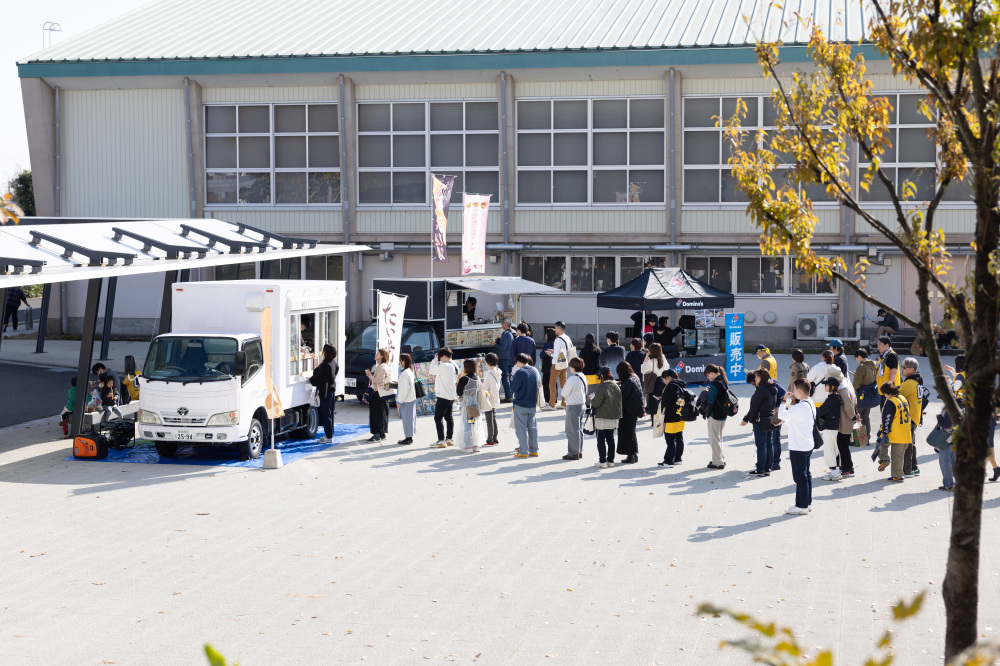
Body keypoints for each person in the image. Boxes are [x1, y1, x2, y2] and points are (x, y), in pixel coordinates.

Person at [777, 378, 817, 515]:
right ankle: (807, 502)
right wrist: (785, 421)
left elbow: (782, 413)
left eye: (794, 390)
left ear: (799, 390)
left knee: (800, 477)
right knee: (806, 475)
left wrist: (783, 400)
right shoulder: (810, 403)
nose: (793, 392)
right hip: (807, 444)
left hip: (798, 446)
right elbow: (796, 421)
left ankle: (801, 506)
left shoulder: (800, 406)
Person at [740, 369, 779, 476]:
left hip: (760, 420)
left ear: (761, 378)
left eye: (756, 377)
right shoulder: (771, 387)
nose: (755, 379)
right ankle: (768, 467)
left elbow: (754, 407)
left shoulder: (761, 389)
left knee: (761, 445)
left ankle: (761, 468)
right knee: (769, 443)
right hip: (769, 418)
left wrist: (746, 419)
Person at [876, 382, 912, 482]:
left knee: (880, 443)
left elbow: (887, 419)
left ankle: (884, 459)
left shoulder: (891, 402)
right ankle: (898, 475)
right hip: (905, 432)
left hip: (894, 432)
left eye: (884, 393)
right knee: (898, 455)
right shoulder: (903, 399)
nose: (884, 395)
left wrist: (884, 432)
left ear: (888, 392)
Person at [590, 366, 622, 468]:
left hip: (602, 417)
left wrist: (592, 398)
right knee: (610, 439)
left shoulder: (602, 387)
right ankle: (611, 461)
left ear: (602, 375)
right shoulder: (616, 386)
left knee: (600, 440)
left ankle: (602, 461)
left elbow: (596, 404)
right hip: (614, 416)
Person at [510, 352, 540, 458]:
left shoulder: (519, 372)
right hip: (532, 404)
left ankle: (523, 451)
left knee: (521, 429)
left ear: (518, 361)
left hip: (520, 403)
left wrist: (512, 380)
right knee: (533, 428)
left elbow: (513, 388)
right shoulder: (534, 370)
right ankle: (534, 450)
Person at [815, 377, 845, 481]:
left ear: (832, 387)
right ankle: (836, 471)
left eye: (826, 385)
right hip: (833, 426)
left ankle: (834, 473)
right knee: (834, 449)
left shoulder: (832, 399)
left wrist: (816, 409)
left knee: (829, 450)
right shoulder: (836, 397)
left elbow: (821, 411)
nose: (825, 386)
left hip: (829, 426)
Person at [429, 347, 459, 448]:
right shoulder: (454, 365)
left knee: (437, 418)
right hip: (451, 395)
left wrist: (434, 359)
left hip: (443, 395)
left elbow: (431, 370)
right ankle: (449, 439)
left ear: (445, 356)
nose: (440, 359)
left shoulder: (446, 366)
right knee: (448, 418)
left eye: (440, 357)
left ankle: (441, 440)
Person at [309, 344, 339, 444]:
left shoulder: (326, 364)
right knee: (330, 414)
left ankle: (329, 436)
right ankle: (329, 434)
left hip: (325, 392)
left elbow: (319, 377)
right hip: (331, 391)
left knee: (326, 414)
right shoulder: (333, 362)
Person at [831, 368, 857, 478]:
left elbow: (848, 407)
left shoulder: (842, 390)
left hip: (845, 422)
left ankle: (848, 468)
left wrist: (853, 417)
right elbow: (854, 400)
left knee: (843, 446)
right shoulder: (847, 382)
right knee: (843, 445)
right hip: (847, 421)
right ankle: (845, 467)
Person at [657, 369, 687, 467]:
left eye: (663, 380)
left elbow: (665, 403)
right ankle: (678, 459)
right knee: (679, 438)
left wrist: (661, 400)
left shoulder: (670, 386)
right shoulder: (681, 384)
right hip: (681, 415)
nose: (663, 382)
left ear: (668, 378)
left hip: (670, 417)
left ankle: (669, 461)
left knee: (670, 440)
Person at [616, 361, 644, 464]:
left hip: (629, 410)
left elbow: (623, 396)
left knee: (627, 433)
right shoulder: (634, 377)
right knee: (631, 432)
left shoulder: (628, 381)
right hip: (634, 409)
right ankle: (633, 454)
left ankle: (631, 455)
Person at [703, 364, 730, 469]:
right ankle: (720, 458)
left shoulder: (715, 383)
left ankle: (718, 462)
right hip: (723, 414)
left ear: (712, 373)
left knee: (714, 439)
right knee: (719, 438)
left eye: (708, 375)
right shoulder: (723, 380)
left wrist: (706, 392)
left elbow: (710, 399)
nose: (708, 377)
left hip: (715, 414)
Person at [364, 347, 393, 443]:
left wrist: (371, 377)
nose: (376, 354)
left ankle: (376, 436)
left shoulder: (381, 366)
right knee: (381, 414)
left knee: (376, 414)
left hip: (378, 393)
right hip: (382, 393)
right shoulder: (384, 365)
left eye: (378, 353)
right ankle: (381, 434)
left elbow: (379, 381)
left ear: (381, 356)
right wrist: (370, 375)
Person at [562, 357, 588, 460]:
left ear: (573, 367)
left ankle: (573, 452)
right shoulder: (583, 376)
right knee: (579, 429)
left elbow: (564, 393)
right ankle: (578, 451)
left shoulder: (572, 379)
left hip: (573, 405)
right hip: (581, 404)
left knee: (571, 430)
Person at [455, 359, 484, 453]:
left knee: (467, 424)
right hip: (476, 405)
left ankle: (468, 446)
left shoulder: (464, 379)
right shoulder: (477, 378)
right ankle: (476, 445)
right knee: (475, 424)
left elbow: (459, 392)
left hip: (467, 405)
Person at [544, 321, 573, 409]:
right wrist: (554, 352)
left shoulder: (558, 340)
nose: (555, 329)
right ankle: (564, 403)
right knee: (563, 383)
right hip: (565, 363)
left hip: (556, 364)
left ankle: (552, 404)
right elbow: (567, 351)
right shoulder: (567, 337)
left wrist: (550, 354)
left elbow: (556, 356)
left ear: (558, 328)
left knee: (552, 384)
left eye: (555, 327)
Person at [852, 349, 878, 445]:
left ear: (859, 356)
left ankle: (858, 439)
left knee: (856, 416)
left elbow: (856, 384)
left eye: (856, 358)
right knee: (866, 417)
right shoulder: (873, 365)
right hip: (870, 395)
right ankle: (866, 438)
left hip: (861, 396)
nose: (856, 360)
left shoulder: (861, 367)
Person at [641, 342, 669, 423]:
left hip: (653, 382)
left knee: (654, 401)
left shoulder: (651, 361)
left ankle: (655, 420)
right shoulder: (663, 358)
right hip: (663, 381)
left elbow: (643, 370)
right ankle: (663, 418)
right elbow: (667, 367)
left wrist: (645, 361)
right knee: (662, 399)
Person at [394, 352, 417, 445]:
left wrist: (399, 401)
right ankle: (409, 437)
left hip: (407, 400)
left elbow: (404, 389)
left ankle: (408, 438)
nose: (399, 362)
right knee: (410, 419)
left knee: (407, 419)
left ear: (403, 361)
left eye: (400, 360)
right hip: (411, 399)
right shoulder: (409, 371)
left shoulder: (405, 373)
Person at [482, 353, 502, 447]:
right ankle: (495, 438)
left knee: (489, 420)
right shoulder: (497, 371)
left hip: (489, 398)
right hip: (495, 397)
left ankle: (490, 440)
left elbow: (485, 387)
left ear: (487, 362)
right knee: (493, 419)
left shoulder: (489, 374)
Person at [493, 318, 514, 402]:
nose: (501, 325)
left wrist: (495, 344)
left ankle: (508, 396)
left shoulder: (505, 334)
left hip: (504, 357)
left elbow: (503, 347)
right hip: (509, 357)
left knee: (504, 377)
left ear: (505, 324)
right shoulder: (512, 332)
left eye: (502, 323)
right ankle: (511, 394)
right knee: (510, 377)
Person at [875, 335, 900, 405]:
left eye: (880, 345)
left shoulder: (891, 355)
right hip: (883, 390)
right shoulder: (882, 355)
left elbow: (894, 371)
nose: (878, 347)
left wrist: (889, 385)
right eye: (877, 345)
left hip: (889, 391)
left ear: (887, 345)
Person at [540, 328, 555, 406]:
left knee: (546, 384)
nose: (545, 335)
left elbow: (542, 355)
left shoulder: (547, 344)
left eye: (546, 334)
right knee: (553, 383)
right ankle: (554, 399)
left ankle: (548, 399)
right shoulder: (555, 343)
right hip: (554, 366)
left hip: (547, 367)